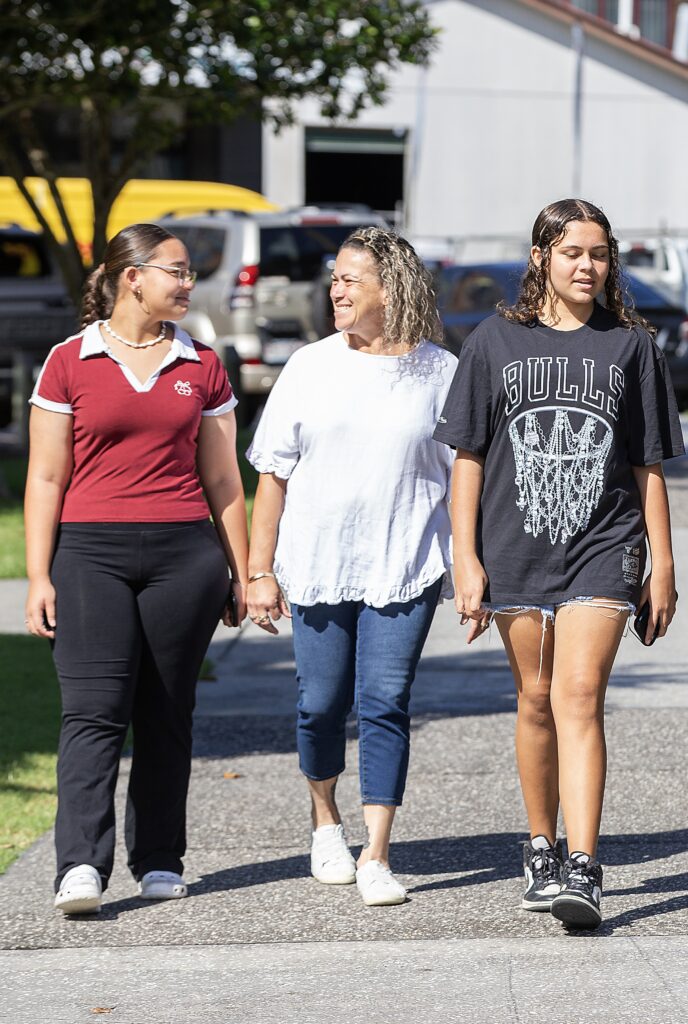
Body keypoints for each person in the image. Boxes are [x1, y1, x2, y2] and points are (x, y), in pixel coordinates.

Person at [434, 198, 684, 929]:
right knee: (535, 698)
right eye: (574, 252)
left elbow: (648, 464)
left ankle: (583, 865)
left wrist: (661, 562)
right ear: (541, 255)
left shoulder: (631, 345)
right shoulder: (492, 343)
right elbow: (468, 460)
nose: (589, 266)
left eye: (601, 254)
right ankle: (539, 846)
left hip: (605, 546)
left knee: (579, 695)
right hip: (515, 547)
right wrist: (466, 559)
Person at [24, 223, 249, 915]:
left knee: (165, 712)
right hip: (90, 554)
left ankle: (159, 858)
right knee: (93, 712)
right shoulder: (70, 360)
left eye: (188, 273)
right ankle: (80, 867)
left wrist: (244, 572)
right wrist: (39, 576)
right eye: (177, 272)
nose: (188, 283)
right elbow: (45, 476)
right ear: (132, 277)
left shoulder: (202, 363)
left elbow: (224, 480)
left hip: (186, 557)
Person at [246, 228, 456, 907]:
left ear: (391, 289)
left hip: (405, 562)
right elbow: (272, 475)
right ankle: (324, 818)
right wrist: (259, 570)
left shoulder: (440, 372)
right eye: (333, 278)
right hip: (317, 562)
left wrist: (472, 569)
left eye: (349, 279)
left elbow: (464, 482)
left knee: (385, 703)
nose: (334, 289)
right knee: (319, 703)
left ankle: (376, 854)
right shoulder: (309, 366)